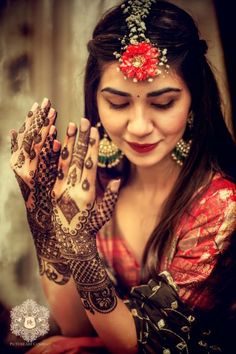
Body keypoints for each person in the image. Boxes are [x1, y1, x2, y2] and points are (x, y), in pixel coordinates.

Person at [9, 0, 236, 353]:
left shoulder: (220, 205)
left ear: (194, 100)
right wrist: (41, 215)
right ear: (95, 100)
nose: (140, 127)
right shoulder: (92, 185)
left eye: (163, 103)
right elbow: (73, 323)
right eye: (118, 103)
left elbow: (142, 344)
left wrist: (81, 246)